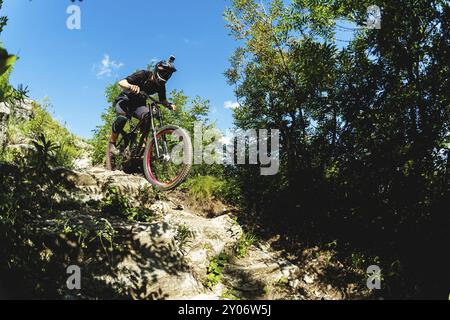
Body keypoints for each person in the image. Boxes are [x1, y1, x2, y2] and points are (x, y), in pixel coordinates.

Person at [109, 56, 177, 154]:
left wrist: (169, 105)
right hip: (125, 100)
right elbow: (121, 82)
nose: (165, 76)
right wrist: (130, 86)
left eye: (168, 75)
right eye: (164, 73)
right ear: (157, 70)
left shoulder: (161, 86)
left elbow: (162, 100)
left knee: (148, 116)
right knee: (122, 118)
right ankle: (112, 143)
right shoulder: (143, 74)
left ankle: (142, 144)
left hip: (139, 105)